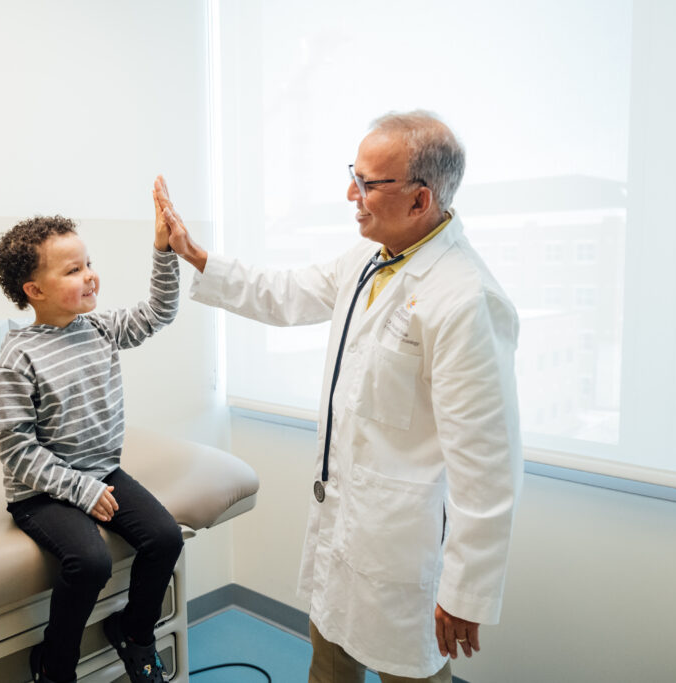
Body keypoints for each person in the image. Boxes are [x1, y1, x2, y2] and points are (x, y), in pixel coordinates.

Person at [155, 111, 522, 683]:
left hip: (404, 547)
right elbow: (285, 294)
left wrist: (466, 589)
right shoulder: (370, 259)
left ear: (421, 201)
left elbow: (487, 465)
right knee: (327, 663)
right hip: (344, 526)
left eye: (369, 183)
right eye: (355, 174)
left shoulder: (465, 298)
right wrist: (195, 254)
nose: (351, 193)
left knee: (411, 671)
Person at [0, 192, 183, 683]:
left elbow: (160, 311)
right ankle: (54, 667)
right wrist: (81, 490)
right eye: (72, 270)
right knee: (90, 562)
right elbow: (14, 447)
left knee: (164, 538)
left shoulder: (100, 329)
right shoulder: (19, 355)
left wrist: (164, 250)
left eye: (88, 263)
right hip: (42, 492)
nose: (89, 274)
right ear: (34, 290)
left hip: (100, 471)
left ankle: (135, 635)